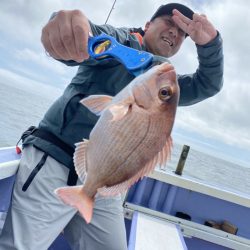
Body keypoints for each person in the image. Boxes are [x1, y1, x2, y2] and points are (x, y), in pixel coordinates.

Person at [0, 3, 223, 250]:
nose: (175, 33)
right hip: (55, 161)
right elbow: (91, 37)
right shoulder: (118, 43)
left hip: (103, 189)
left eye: (182, 34)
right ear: (147, 25)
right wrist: (70, 26)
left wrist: (210, 44)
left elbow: (207, 84)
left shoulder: (165, 82)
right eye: (168, 23)